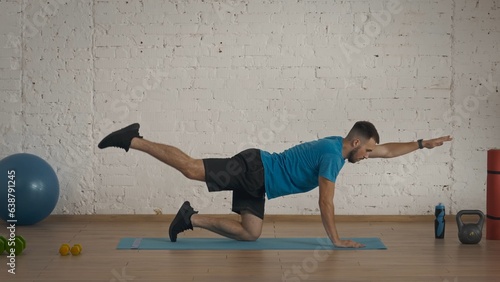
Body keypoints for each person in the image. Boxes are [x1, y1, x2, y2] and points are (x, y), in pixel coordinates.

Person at [98, 121, 452, 248]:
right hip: (256, 168)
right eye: (369, 150)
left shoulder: (340, 148)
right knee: (192, 169)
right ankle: (134, 140)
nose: (371, 157)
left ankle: (189, 218)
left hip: (260, 182)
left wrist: (422, 144)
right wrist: (337, 240)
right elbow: (325, 204)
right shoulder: (332, 156)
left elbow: (387, 151)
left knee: (250, 232)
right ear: (357, 143)